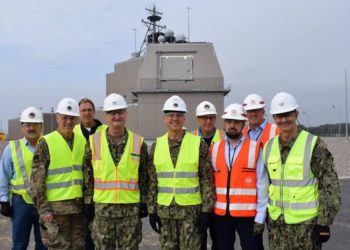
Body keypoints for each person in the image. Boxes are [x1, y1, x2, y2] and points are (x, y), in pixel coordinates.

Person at [263, 92, 341, 250]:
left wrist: (324, 223)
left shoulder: (314, 144)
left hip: (306, 228)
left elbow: (329, 185)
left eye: (288, 115)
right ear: (274, 118)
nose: (283, 120)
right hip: (277, 226)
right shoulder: (268, 147)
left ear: (296, 114)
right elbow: (266, 185)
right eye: (279, 116)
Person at [148, 95, 215, 250]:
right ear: (164, 118)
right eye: (171, 115)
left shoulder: (197, 144)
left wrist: (206, 211)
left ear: (184, 119)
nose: (175, 119)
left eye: (179, 115)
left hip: (191, 214)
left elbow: (206, 180)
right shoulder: (157, 145)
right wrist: (152, 210)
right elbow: (152, 181)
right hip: (165, 213)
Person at [83, 93, 149, 250]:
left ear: (126, 114)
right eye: (112, 113)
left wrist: (145, 202)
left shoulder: (138, 142)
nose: (116, 116)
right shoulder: (93, 142)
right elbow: (88, 175)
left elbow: (145, 176)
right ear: (106, 116)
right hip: (102, 211)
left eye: (120, 112)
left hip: (130, 211)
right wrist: (87, 203)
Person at [31, 98, 86, 250]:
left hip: (77, 210)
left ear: (77, 120)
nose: (68, 121)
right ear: (57, 118)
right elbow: (36, 180)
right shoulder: (46, 142)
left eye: (72, 118)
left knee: (79, 247)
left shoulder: (82, 142)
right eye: (65, 118)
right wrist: (44, 210)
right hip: (55, 211)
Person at [210, 103, 267, 250]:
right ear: (224, 124)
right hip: (220, 216)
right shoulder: (214, 148)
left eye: (236, 122)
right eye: (229, 121)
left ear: (243, 124)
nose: (232, 125)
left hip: (248, 216)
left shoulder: (255, 148)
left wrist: (260, 218)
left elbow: (262, 185)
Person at [0, 107, 46, 250]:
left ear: (41, 126)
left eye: (35, 125)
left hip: (44, 203)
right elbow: (4, 175)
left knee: (44, 244)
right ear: (22, 127)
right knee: (19, 244)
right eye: (27, 125)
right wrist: (4, 200)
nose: (31, 128)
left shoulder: (48, 146)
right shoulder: (11, 148)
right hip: (21, 204)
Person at [74, 98, 105, 250]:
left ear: (94, 111)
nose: (86, 113)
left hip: (102, 191)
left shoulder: (106, 130)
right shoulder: (72, 133)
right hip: (79, 192)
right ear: (79, 113)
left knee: (101, 236)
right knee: (83, 235)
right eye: (83, 110)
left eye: (89, 110)